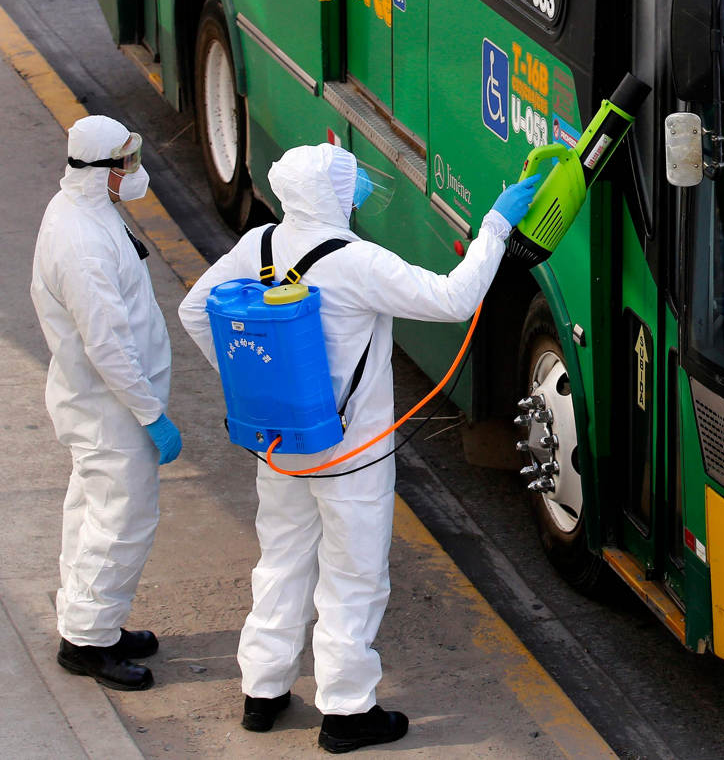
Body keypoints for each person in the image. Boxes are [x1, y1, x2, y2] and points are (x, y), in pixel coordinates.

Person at [178, 143, 539, 753]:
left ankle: (262, 693)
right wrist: (497, 227)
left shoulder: (259, 244)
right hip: (353, 454)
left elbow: (194, 311)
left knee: (283, 560)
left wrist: (254, 390)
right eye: (352, 186)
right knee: (353, 576)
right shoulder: (357, 261)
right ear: (336, 196)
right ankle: (346, 713)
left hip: (281, 446)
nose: (359, 194)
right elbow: (454, 299)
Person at [30, 114, 181, 692]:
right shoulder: (83, 243)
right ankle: (88, 644)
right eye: (126, 163)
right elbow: (108, 347)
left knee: (91, 514)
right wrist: (150, 415)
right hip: (111, 410)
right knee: (121, 522)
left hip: (99, 405)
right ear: (101, 171)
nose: (134, 172)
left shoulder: (83, 210)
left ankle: (93, 623)